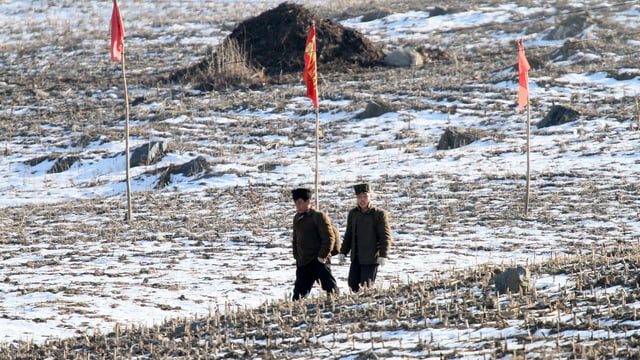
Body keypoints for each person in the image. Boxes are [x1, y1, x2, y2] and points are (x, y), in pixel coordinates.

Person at [337, 183, 392, 292]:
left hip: (370, 258)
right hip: (356, 257)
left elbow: (385, 237)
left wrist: (383, 255)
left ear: (370, 196)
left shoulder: (378, 214)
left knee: (366, 287)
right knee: (352, 284)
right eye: (359, 197)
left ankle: (366, 305)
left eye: (365, 196)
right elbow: (349, 235)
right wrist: (343, 252)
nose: (362, 200)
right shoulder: (353, 214)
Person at [291, 188, 339, 300]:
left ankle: (335, 309)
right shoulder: (297, 218)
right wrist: (297, 257)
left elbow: (329, 238)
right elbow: (295, 239)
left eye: (300, 203)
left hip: (319, 261)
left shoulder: (319, 216)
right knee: (298, 296)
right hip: (304, 263)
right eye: (296, 203)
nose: (297, 206)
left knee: (331, 290)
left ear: (308, 202)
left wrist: (322, 256)